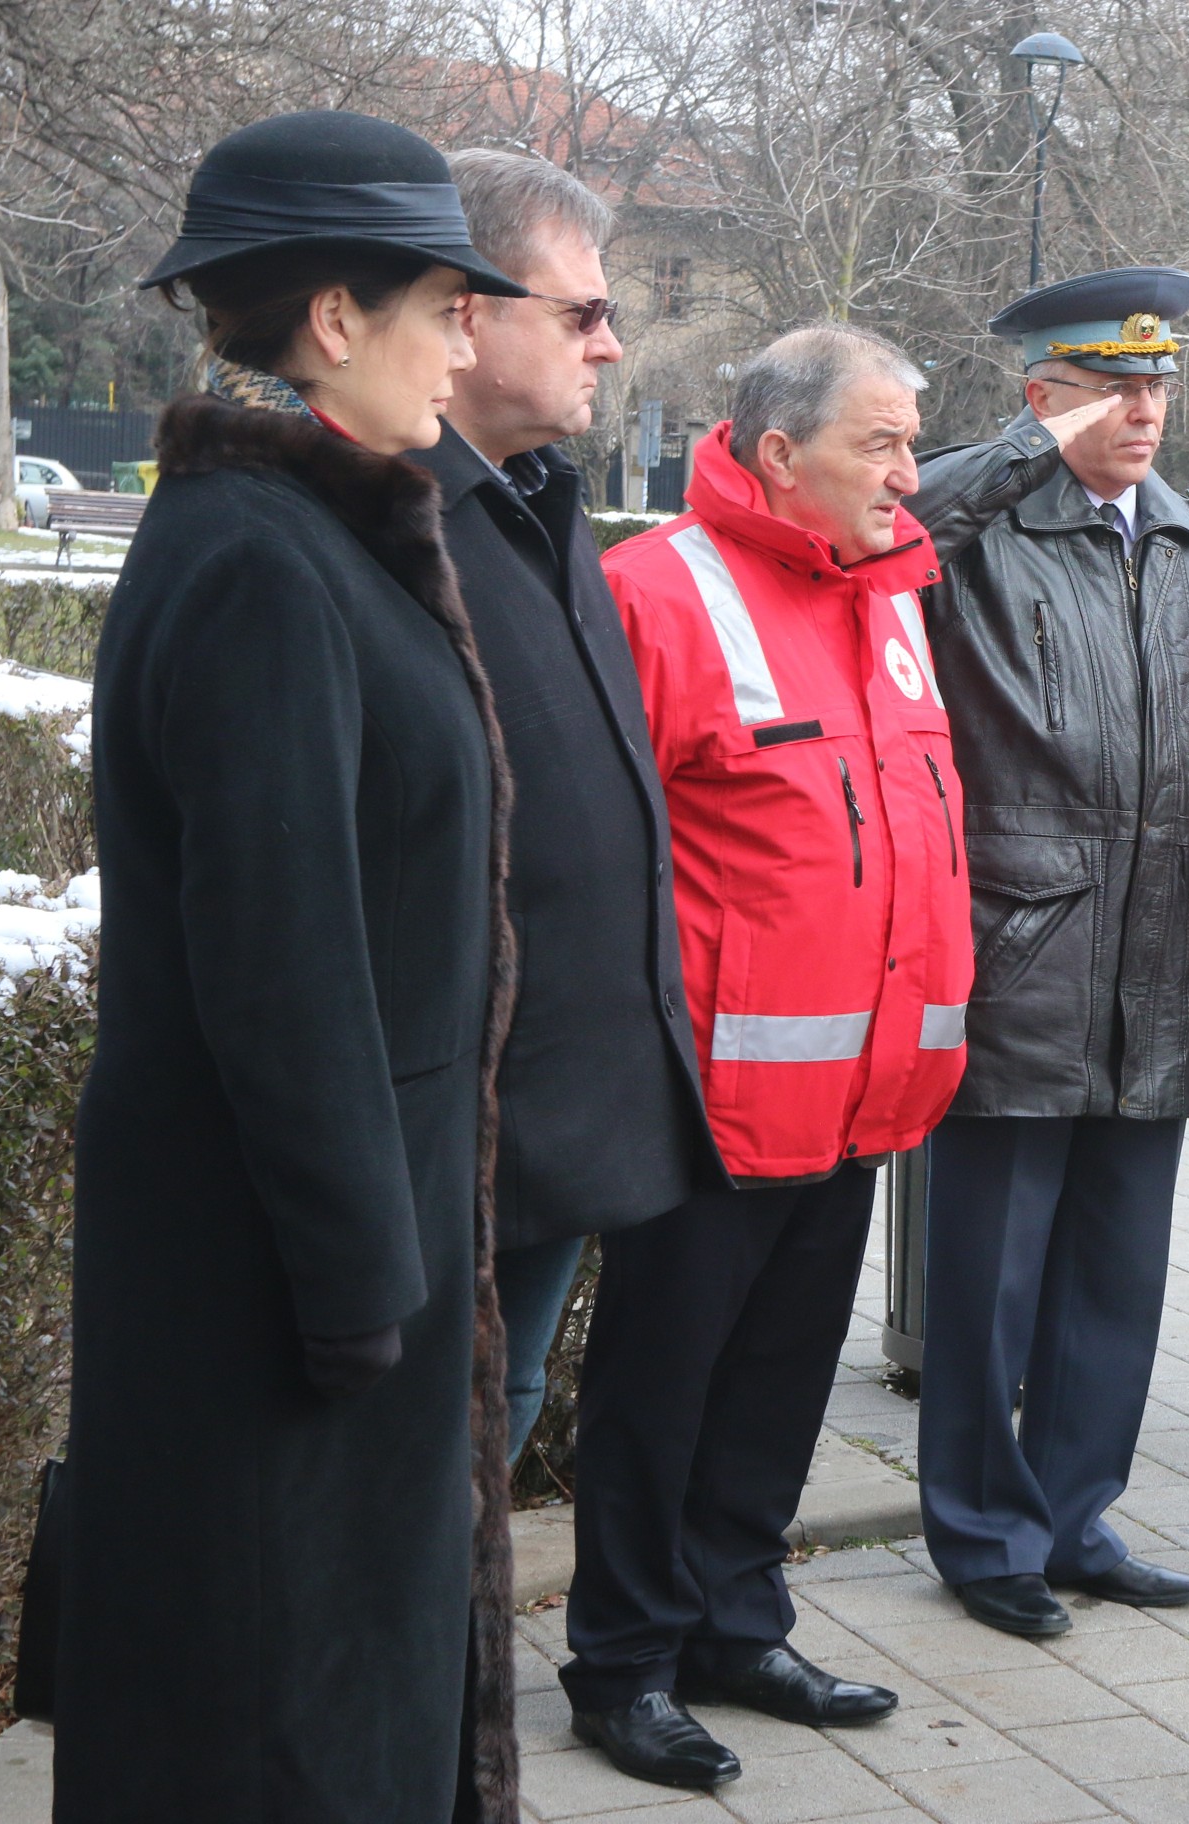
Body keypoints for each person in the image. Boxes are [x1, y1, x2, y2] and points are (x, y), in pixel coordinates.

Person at [59, 109, 527, 1822]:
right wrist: (359, 1295)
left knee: (327, 1699)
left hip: (340, 1261)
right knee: (276, 1720)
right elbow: (281, 959)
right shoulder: (263, 557)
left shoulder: (305, 531)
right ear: (336, 318)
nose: (466, 346)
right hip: (293, 1289)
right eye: (445, 310)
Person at [560, 323, 967, 1788]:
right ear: (781, 453)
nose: (909, 474)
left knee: (780, 1385)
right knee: (658, 1394)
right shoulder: (656, 592)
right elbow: (590, 858)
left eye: (913, 442)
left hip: (854, 1093)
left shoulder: (893, 593)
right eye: (883, 443)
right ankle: (623, 1662)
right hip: (706, 1102)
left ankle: (737, 1625)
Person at [907, 266, 1189, 1640]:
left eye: (1157, 384)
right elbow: (887, 529)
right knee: (990, 1278)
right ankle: (982, 1533)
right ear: (1039, 397)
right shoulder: (978, 529)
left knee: (1115, 1274)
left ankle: (1074, 1516)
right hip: (1022, 944)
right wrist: (1022, 456)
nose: (1142, 410)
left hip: (1163, 953)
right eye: (1108, 387)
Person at [419, 149, 717, 1468]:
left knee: (503, 1413)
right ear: (465, 314)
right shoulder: (384, 523)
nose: (610, 345)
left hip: (562, 1118)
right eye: (581, 312)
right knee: (428, 1459)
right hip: (458, 1131)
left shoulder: (538, 501)